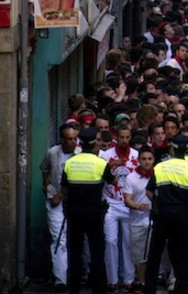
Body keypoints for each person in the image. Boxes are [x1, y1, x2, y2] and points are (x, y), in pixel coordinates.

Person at [143, 133, 188, 294]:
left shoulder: (160, 166)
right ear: (186, 149)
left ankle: (150, 288)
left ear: (171, 149)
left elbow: (148, 191)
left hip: (163, 214)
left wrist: (157, 202)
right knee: (183, 253)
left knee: (155, 253)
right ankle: (184, 288)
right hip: (183, 214)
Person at [61, 126, 116, 294]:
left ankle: (74, 289)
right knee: (97, 253)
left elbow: (64, 189)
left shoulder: (70, 162)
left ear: (80, 143)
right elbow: (113, 181)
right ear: (94, 144)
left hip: (74, 212)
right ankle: (99, 288)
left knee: (74, 253)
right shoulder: (101, 163)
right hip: (94, 213)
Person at [99, 122, 140, 291]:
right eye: (121, 137)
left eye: (127, 137)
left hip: (129, 203)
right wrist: (111, 166)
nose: (124, 140)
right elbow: (99, 175)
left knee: (128, 242)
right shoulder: (106, 155)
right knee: (110, 241)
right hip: (111, 202)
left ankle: (129, 279)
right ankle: (112, 279)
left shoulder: (137, 155)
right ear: (115, 136)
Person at [40, 122, 80, 291]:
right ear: (62, 140)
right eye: (68, 139)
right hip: (55, 201)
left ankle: (77, 273)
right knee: (58, 239)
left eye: (74, 139)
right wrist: (48, 187)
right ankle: (60, 279)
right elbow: (45, 169)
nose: (72, 142)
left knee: (76, 238)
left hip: (75, 201)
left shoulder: (80, 155)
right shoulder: (53, 153)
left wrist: (61, 194)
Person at [123, 145, 156, 290]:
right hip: (136, 220)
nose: (147, 162)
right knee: (138, 254)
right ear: (138, 160)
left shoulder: (159, 174)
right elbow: (127, 199)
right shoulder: (131, 177)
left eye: (149, 159)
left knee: (154, 252)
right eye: (144, 159)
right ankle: (142, 282)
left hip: (154, 219)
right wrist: (137, 206)